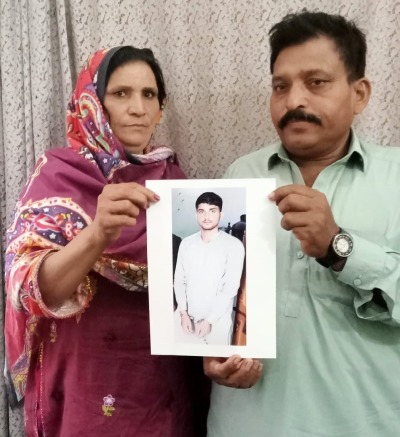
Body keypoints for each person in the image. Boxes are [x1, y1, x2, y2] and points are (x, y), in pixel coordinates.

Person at [205, 11, 400, 436]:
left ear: (360, 93)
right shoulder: (241, 174)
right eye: (280, 86)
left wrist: (338, 246)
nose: (294, 100)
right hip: (246, 424)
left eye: (316, 82)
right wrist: (214, 351)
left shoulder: (397, 177)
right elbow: (219, 294)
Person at [5, 46, 209, 436]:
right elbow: (30, 290)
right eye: (121, 94)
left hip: (160, 391)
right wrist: (97, 234)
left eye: (149, 95)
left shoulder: (178, 187)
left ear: (161, 108)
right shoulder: (58, 176)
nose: (138, 108)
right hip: (82, 389)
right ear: (93, 104)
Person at [174, 192, 245, 345]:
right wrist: (182, 313)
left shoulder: (233, 245)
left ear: (221, 214)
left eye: (212, 211)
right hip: (185, 321)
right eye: (202, 211)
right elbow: (179, 280)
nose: (206, 216)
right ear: (196, 215)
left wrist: (209, 320)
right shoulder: (186, 243)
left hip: (216, 324)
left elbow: (230, 288)